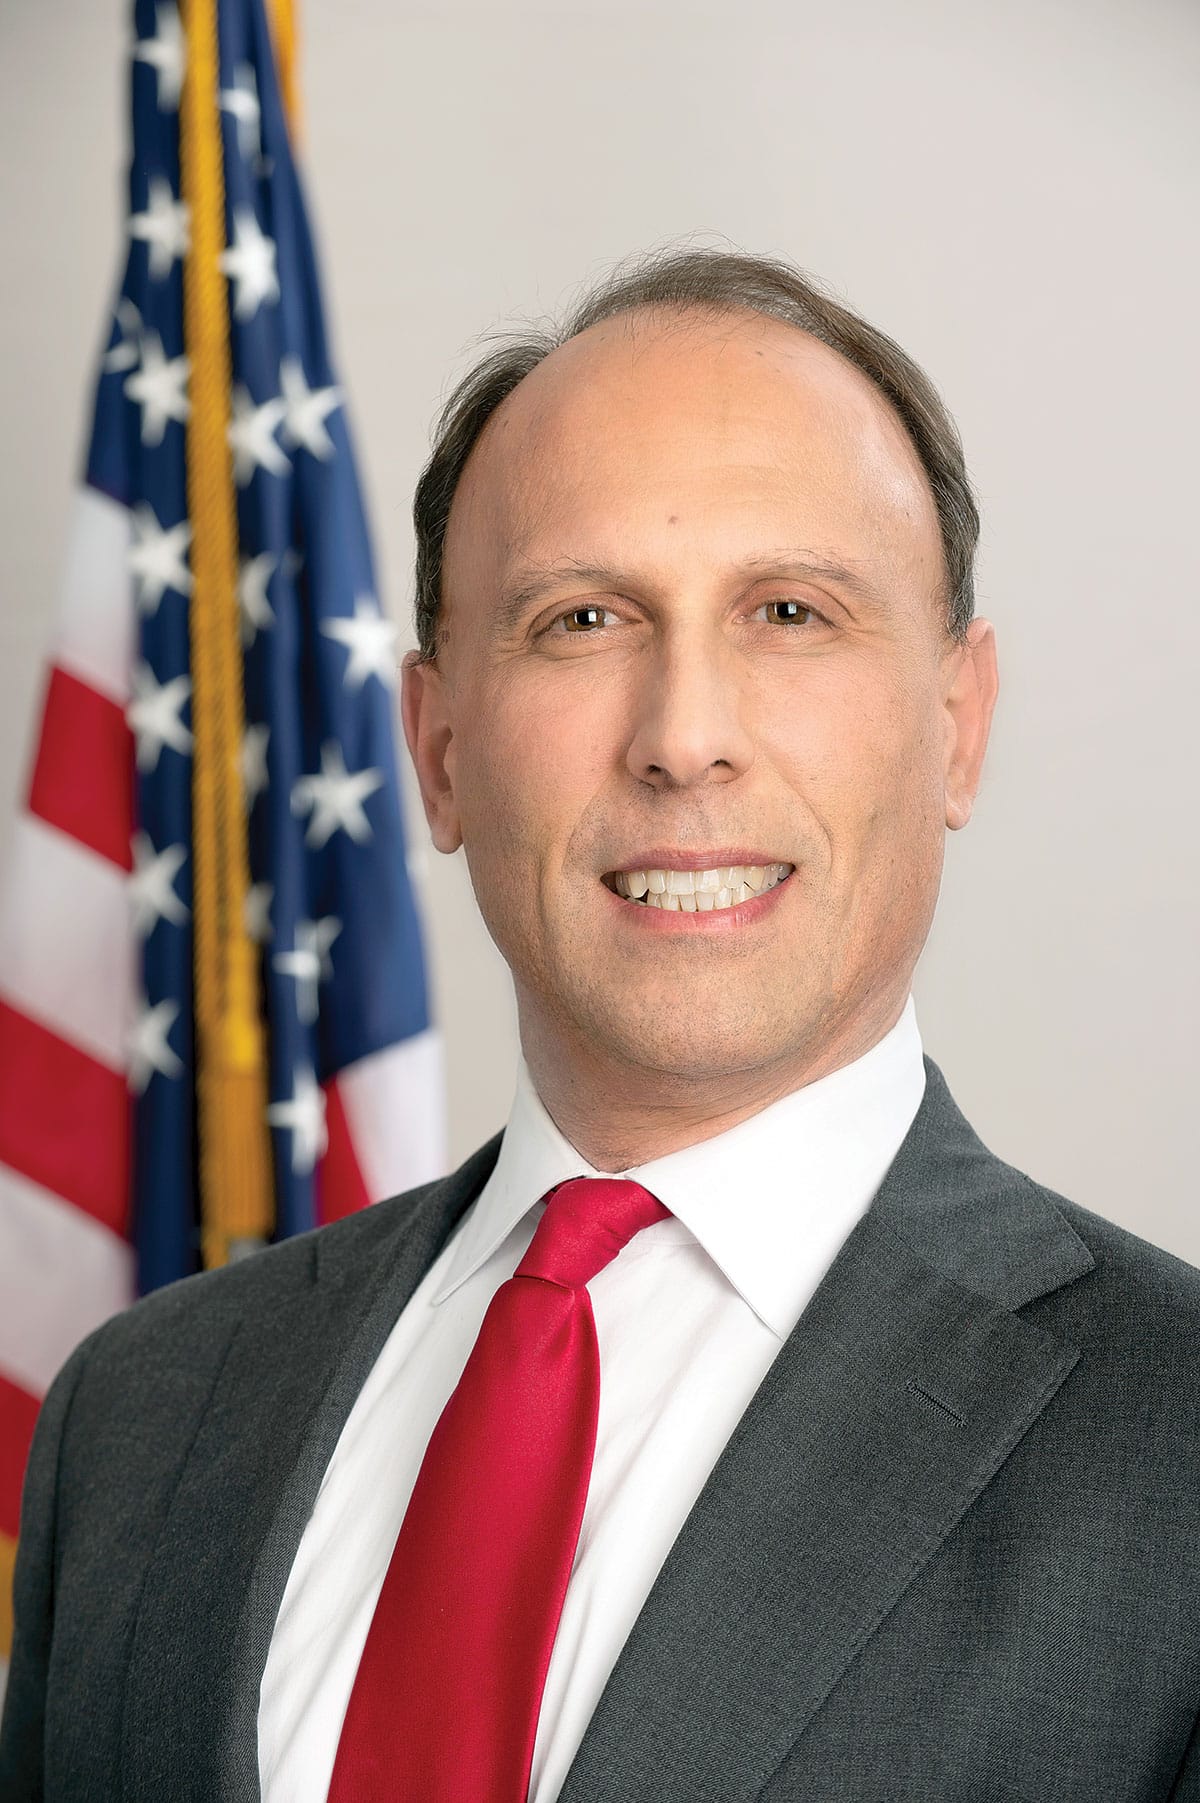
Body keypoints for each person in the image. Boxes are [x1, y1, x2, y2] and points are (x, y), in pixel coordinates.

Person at [2, 247, 1198, 1803]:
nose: (684, 737)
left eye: (789, 609)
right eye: (581, 619)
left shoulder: (1172, 1454)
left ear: (957, 725)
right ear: (435, 748)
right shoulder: (141, 1417)